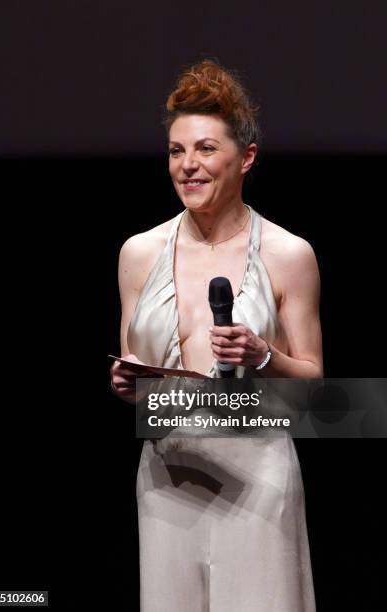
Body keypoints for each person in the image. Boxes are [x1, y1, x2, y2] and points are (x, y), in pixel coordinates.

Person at [110, 59, 322, 612]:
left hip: (258, 480)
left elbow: (319, 393)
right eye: (177, 151)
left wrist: (264, 354)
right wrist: (130, 385)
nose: (188, 165)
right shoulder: (138, 253)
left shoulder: (288, 254)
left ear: (246, 157)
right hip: (166, 481)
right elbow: (142, 385)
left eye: (205, 149)